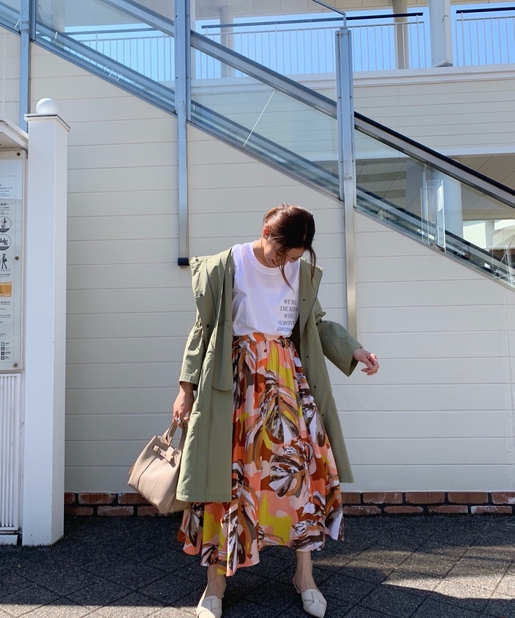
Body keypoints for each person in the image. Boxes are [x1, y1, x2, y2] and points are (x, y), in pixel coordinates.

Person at [172, 205, 379, 618]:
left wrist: (354, 350)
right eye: (281, 253)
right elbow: (202, 330)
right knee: (227, 478)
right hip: (233, 386)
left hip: (287, 384)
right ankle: (215, 583)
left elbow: (316, 324)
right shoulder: (226, 265)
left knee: (300, 475)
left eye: (294, 257)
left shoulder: (301, 273)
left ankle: (305, 575)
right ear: (266, 232)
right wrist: (185, 390)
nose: (284, 263)